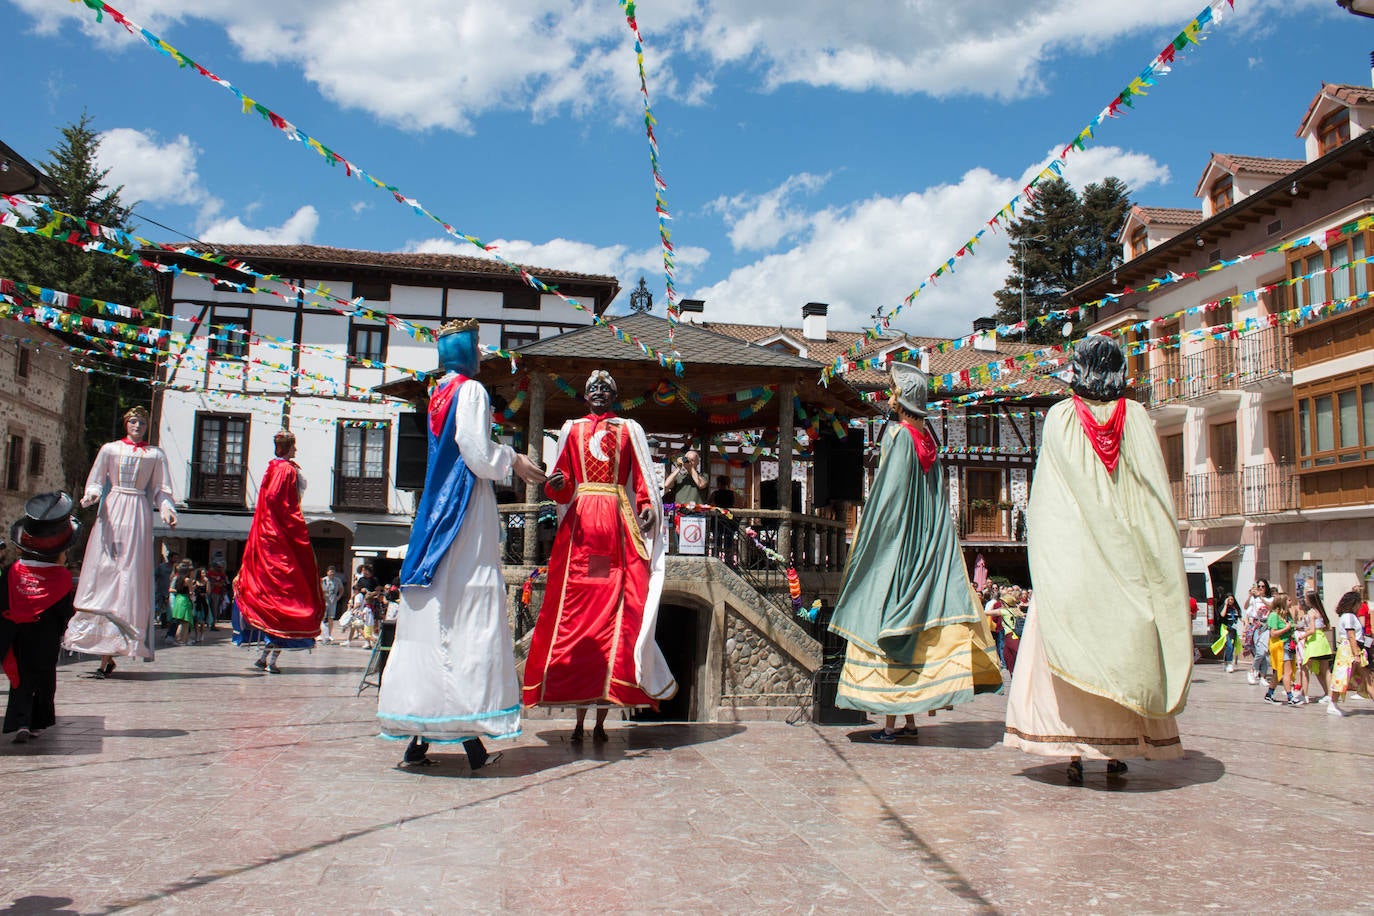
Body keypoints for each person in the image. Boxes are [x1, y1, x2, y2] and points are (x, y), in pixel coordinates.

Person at [1004, 336, 1192, 784]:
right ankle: (1117, 751)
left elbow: (1048, 499)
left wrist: (1051, 558)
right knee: (1128, 642)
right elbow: (1154, 499)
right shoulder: (1139, 419)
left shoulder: (1061, 417)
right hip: (1128, 557)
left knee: (1067, 641)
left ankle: (1073, 752)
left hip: (1074, 559)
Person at [378, 318, 546, 770]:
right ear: (468, 352)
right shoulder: (471, 391)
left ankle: (419, 740)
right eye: (476, 346)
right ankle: (470, 741)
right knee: (468, 610)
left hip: (435, 512)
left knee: (438, 614)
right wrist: (514, 459)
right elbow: (475, 449)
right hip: (463, 507)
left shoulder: (438, 392)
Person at [828, 361, 1002, 742]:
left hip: (901, 546)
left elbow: (889, 499)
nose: (888, 398)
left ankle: (891, 724)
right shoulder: (928, 442)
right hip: (926, 544)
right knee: (920, 629)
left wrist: (869, 540)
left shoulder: (900, 437)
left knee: (884, 618)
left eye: (892, 391)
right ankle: (909, 722)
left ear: (904, 399)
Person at [521, 370, 678, 741]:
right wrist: (556, 485)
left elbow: (641, 480)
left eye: (606, 389)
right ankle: (578, 719)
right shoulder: (572, 430)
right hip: (582, 529)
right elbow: (561, 484)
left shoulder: (628, 430)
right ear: (585, 395)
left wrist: (648, 507)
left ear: (614, 395)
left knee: (616, 615)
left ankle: (602, 720)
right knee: (577, 614)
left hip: (615, 526)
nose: (598, 394)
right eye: (593, 389)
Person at [62, 405, 178, 677]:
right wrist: (91, 496)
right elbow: (96, 478)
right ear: (126, 424)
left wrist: (168, 510)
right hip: (112, 508)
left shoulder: (155, 454)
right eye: (133, 421)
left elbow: (162, 489)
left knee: (130, 574)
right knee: (104, 570)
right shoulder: (109, 449)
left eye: (142, 422)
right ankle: (99, 642)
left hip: (138, 510)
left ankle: (120, 641)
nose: (137, 426)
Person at [233, 429, 325, 674]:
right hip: (280, 533)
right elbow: (279, 501)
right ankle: (269, 659)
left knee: (276, 595)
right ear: (289, 447)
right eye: (293, 446)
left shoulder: (272, 468)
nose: (295, 449)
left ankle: (265, 657)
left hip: (268, 532)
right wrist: (294, 527)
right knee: (291, 591)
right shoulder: (286, 470)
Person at [1, 493, 80, 743]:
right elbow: (65, 612)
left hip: (19, 634)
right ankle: (37, 723)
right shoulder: (61, 578)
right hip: (45, 637)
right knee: (44, 678)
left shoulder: (13, 572)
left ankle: (21, 721)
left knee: (21, 679)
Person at [1328, 590, 1372, 717]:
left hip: (1354, 649)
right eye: (1359, 603)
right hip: (1350, 650)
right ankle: (1332, 703)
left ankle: (1333, 703)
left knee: (1367, 678)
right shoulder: (1348, 617)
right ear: (1354, 603)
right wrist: (1356, 654)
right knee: (1343, 677)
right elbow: (1351, 636)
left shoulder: (1351, 616)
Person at [1263, 595, 1299, 706]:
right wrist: (1286, 629)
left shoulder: (1287, 615)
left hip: (1289, 644)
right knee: (1286, 672)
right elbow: (1273, 633)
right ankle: (1290, 697)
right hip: (1280, 645)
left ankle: (1269, 695)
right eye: (1289, 600)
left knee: (1278, 672)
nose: (1291, 601)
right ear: (1282, 602)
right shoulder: (1274, 616)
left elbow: (1292, 626)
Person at [167, 560, 195, 646]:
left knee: (179, 620)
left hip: (178, 598)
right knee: (185, 621)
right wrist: (193, 587)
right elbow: (191, 591)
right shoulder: (187, 580)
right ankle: (181, 639)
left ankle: (180, 639)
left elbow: (171, 589)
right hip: (185, 599)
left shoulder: (177, 578)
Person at [320, 565, 344, 643]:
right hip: (325, 601)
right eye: (330, 572)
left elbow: (341, 589)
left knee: (331, 618)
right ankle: (320, 634)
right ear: (327, 572)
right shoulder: (323, 580)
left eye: (333, 572)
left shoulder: (337, 580)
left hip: (333, 601)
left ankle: (329, 634)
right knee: (322, 618)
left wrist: (338, 597)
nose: (332, 574)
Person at [1218, 594, 1242, 673]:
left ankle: (1227, 662)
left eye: (1232, 599)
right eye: (1229, 600)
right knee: (1229, 646)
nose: (1231, 601)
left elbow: (1239, 617)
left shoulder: (1235, 608)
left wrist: (1245, 621)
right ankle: (1229, 663)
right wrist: (1225, 604)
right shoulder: (1224, 607)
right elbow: (1222, 615)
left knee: (1231, 647)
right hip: (1226, 629)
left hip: (1233, 630)